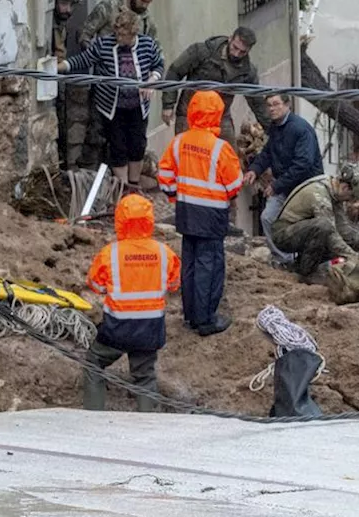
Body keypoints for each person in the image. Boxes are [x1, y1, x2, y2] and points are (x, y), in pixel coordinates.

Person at [157, 90, 244, 336]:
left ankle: (190, 316)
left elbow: (164, 175)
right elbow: (234, 184)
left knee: (190, 263)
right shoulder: (220, 148)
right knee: (210, 265)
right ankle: (206, 320)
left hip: (185, 211)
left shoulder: (179, 142)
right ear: (217, 114)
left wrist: (175, 196)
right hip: (212, 214)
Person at [83, 193, 181, 412]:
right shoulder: (164, 253)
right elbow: (174, 284)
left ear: (120, 220)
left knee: (93, 364)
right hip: (150, 328)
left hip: (117, 327)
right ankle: (148, 426)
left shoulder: (110, 253)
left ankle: (92, 418)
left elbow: (95, 285)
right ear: (149, 220)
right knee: (145, 376)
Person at [59, 9, 164, 188]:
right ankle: (122, 187)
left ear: (133, 34)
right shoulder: (104, 45)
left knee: (137, 145)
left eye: (124, 35)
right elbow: (84, 60)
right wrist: (60, 67)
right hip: (113, 107)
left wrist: (151, 80)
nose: (119, 38)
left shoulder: (147, 44)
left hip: (138, 106)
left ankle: (134, 184)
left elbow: (159, 65)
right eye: (118, 34)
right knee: (118, 147)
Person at [245, 93, 324, 254]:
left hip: (305, 188)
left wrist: (276, 185)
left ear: (288, 105)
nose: (272, 109)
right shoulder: (276, 127)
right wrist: (254, 169)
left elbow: (303, 163)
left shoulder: (300, 129)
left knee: (302, 225)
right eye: (269, 105)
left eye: (276, 104)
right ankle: (283, 259)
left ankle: (307, 260)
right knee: (268, 217)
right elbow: (268, 152)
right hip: (285, 186)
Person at [161, 28, 270, 144]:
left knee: (228, 155)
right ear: (230, 38)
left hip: (221, 117)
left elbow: (257, 102)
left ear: (249, 50)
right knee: (188, 154)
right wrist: (168, 105)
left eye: (242, 52)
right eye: (235, 47)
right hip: (190, 114)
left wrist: (272, 130)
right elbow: (175, 71)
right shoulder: (202, 52)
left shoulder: (247, 71)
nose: (236, 54)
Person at [270, 163, 359, 278]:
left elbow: (342, 227)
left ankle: (299, 266)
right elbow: (330, 232)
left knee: (349, 239)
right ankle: (306, 273)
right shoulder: (320, 193)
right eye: (351, 197)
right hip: (283, 233)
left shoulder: (335, 193)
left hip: (300, 230)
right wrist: (352, 256)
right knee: (323, 228)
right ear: (345, 187)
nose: (349, 201)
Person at [52, 0, 83, 169]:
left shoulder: (63, 22)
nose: (67, 10)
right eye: (63, 4)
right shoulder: (51, 23)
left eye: (71, 5)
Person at [79, 0, 158, 47]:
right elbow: (84, 33)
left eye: (148, 2)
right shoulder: (109, 8)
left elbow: (155, 47)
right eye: (142, 1)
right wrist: (92, 56)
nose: (145, 5)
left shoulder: (147, 20)